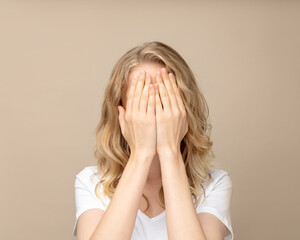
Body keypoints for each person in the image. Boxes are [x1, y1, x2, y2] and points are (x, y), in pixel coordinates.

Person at [73, 41, 234, 240]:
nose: (153, 110)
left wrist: (169, 151)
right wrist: (141, 154)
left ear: (184, 110)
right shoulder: (92, 183)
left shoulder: (213, 185)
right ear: (120, 112)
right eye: (140, 99)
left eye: (164, 97)